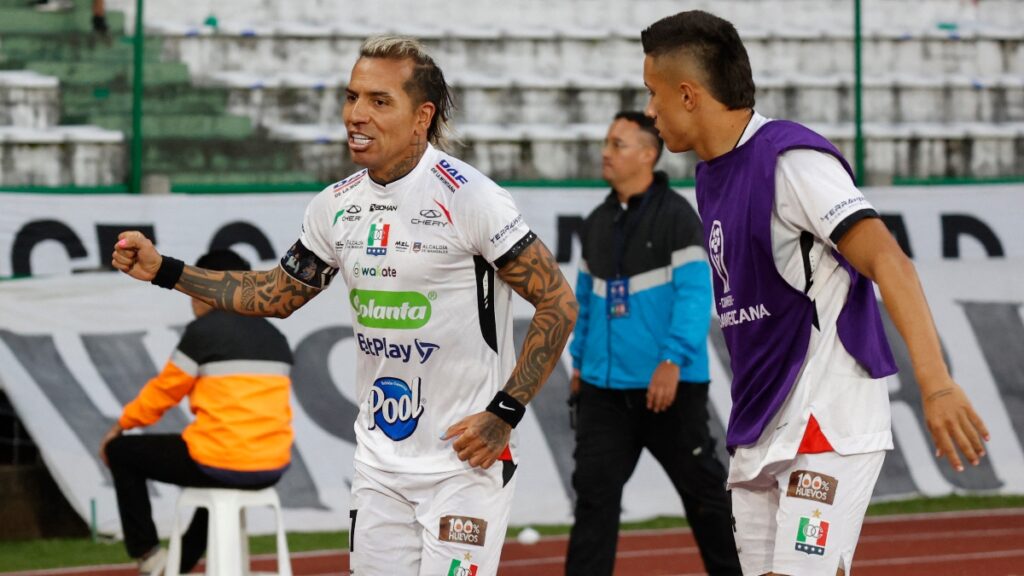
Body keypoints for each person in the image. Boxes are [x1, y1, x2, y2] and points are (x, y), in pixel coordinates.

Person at [110, 35, 577, 576]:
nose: (356, 114)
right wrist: (166, 271)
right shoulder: (335, 206)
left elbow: (557, 303)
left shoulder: (470, 198)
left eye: (380, 101)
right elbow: (275, 294)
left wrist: (504, 414)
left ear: (422, 116)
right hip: (379, 465)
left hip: (462, 468)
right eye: (351, 97)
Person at [640, 11, 990, 576]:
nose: (649, 110)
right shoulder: (710, 175)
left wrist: (937, 384)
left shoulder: (791, 159)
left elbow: (889, 262)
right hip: (758, 424)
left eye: (652, 93)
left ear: (688, 94)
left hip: (825, 417)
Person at [565, 111, 741, 575]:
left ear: (648, 154)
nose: (606, 151)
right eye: (606, 142)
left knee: (705, 499)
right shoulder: (597, 221)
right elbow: (584, 302)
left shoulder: (679, 217)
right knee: (593, 500)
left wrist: (671, 360)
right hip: (604, 394)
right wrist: (579, 365)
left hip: (670, 388)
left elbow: (694, 295)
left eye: (618, 144)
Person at [99, 249, 294, 575]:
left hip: (220, 459)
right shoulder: (276, 337)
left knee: (121, 452)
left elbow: (163, 394)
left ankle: (149, 557)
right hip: (272, 465)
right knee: (218, 484)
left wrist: (121, 426)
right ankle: (175, 567)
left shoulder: (204, 332)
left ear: (208, 287)